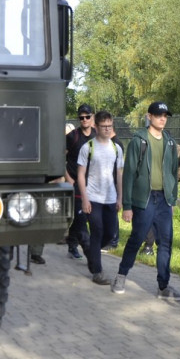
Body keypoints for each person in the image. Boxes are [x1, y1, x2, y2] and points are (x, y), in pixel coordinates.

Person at [111, 101, 180, 300]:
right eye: (159, 114)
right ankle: (121, 275)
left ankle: (164, 286)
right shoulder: (139, 141)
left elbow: (172, 173)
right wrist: (127, 205)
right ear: (149, 116)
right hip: (144, 200)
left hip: (163, 200)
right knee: (137, 238)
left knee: (165, 242)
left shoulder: (170, 142)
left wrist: (172, 199)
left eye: (165, 115)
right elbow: (128, 175)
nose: (163, 118)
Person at [76, 110, 123, 285]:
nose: (107, 129)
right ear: (96, 127)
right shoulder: (88, 147)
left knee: (110, 234)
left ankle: (91, 252)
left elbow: (119, 174)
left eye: (110, 126)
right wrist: (85, 198)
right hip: (93, 197)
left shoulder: (116, 148)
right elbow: (81, 174)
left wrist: (120, 198)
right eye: (104, 126)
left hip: (110, 198)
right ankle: (97, 271)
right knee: (97, 231)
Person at [64, 104, 96, 259]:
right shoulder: (73, 136)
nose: (84, 120)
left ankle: (71, 242)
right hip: (76, 182)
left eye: (87, 117)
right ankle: (87, 251)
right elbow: (59, 156)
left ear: (92, 117)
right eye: (81, 117)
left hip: (93, 184)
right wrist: (68, 178)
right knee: (81, 217)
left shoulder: (97, 135)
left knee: (86, 217)